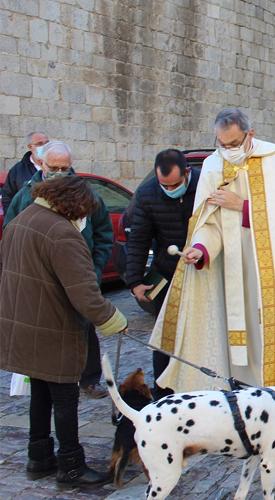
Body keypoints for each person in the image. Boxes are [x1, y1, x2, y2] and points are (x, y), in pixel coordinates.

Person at [150, 108, 275, 392]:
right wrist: (200, 249)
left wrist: (241, 206)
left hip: (272, 268)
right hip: (232, 269)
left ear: (250, 134)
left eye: (234, 143)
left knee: (270, 330)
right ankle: (238, 388)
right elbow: (209, 222)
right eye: (222, 144)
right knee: (237, 330)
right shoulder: (213, 165)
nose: (228, 150)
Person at [0, 175, 127, 487]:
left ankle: (39, 457)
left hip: (24, 323)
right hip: (53, 326)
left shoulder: (23, 219)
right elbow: (84, 292)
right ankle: (71, 466)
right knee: (65, 397)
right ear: (75, 205)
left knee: (41, 393)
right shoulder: (61, 233)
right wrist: (114, 320)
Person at [3, 141, 113, 400]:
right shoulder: (26, 195)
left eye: (65, 168)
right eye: (54, 168)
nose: (60, 173)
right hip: (41, 281)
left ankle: (89, 379)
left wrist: (95, 268)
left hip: (78, 275)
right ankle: (42, 378)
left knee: (85, 329)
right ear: (42, 164)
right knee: (45, 333)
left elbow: (103, 233)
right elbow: (11, 233)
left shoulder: (85, 194)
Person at [124, 148, 199, 399]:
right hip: (167, 272)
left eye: (175, 185)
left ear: (187, 172)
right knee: (164, 336)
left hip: (204, 271)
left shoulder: (205, 185)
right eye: (163, 185)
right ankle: (164, 393)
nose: (169, 189)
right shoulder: (147, 194)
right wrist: (135, 280)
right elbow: (138, 239)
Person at [2, 132, 48, 214]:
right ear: (30, 147)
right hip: (26, 218)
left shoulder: (61, 167)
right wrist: (12, 218)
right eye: (39, 144)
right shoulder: (18, 170)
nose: (44, 146)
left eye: (47, 143)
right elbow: (7, 197)